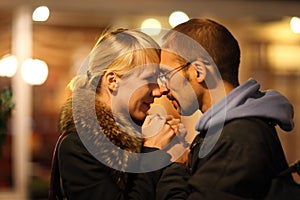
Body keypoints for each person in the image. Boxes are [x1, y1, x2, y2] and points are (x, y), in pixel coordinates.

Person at [156, 18, 295, 199]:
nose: (163, 88)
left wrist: (175, 165)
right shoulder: (225, 131)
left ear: (198, 71)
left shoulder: (239, 138)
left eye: (167, 75)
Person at [48, 28, 180, 200]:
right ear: (113, 81)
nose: (159, 90)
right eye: (149, 79)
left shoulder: (148, 134)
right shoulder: (78, 146)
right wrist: (152, 153)